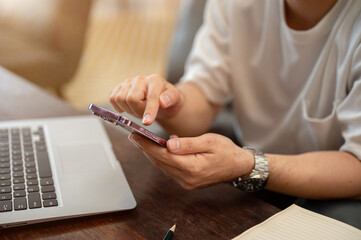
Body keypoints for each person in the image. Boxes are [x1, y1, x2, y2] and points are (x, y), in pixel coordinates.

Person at [109, 0, 361, 229]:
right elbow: (204, 94)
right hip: (253, 177)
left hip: (337, 195)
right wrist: (168, 102)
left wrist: (247, 165)